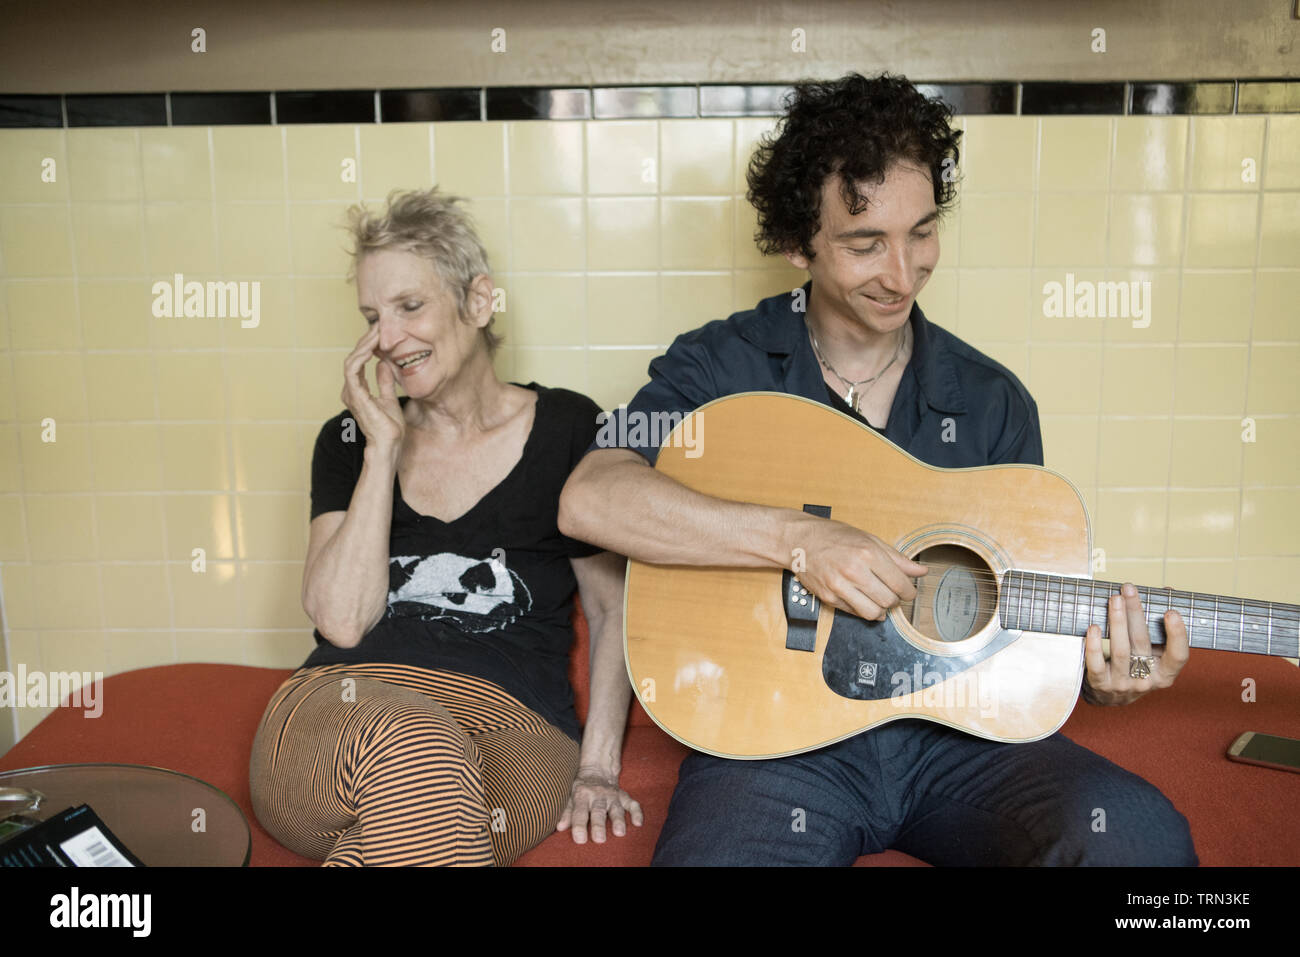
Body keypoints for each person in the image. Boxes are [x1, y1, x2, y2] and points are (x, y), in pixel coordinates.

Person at [558, 72, 1196, 866]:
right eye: (865, 244)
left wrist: (1105, 679)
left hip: (957, 744)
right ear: (799, 243)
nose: (902, 272)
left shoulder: (994, 401)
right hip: (773, 745)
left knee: (1140, 841)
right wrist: (797, 540)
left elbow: (1016, 630)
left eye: (921, 232)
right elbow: (591, 499)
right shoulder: (721, 364)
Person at [249, 187, 642, 866]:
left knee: (414, 816)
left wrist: (598, 768)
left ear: (479, 300)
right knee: (418, 742)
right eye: (372, 317)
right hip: (345, 706)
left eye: (410, 307)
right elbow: (341, 621)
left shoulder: (570, 428)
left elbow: (612, 609)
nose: (389, 339)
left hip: (512, 727)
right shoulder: (348, 439)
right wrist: (380, 449)